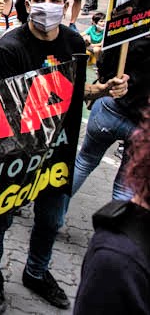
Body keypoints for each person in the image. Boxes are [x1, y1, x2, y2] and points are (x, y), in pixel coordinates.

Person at [0, 0, 128, 314]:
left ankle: (36, 271)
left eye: (56, 0)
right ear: (28, 4)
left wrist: (104, 90)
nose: (48, 6)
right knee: (0, 218)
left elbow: (78, 90)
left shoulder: (73, 42)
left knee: (50, 220)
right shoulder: (9, 48)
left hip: (58, 150)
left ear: (66, 5)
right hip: (17, 154)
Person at [73, 108, 150, 315]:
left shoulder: (118, 257)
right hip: (121, 118)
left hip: (110, 112)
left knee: (84, 162)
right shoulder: (118, 260)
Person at [72, 35, 149, 201]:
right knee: (124, 185)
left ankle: (50, 211)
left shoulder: (129, 34)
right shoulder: (132, 33)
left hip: (110, 108)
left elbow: (103, 63)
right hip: (141, 122)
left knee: (84, 162)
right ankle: (115, 220)